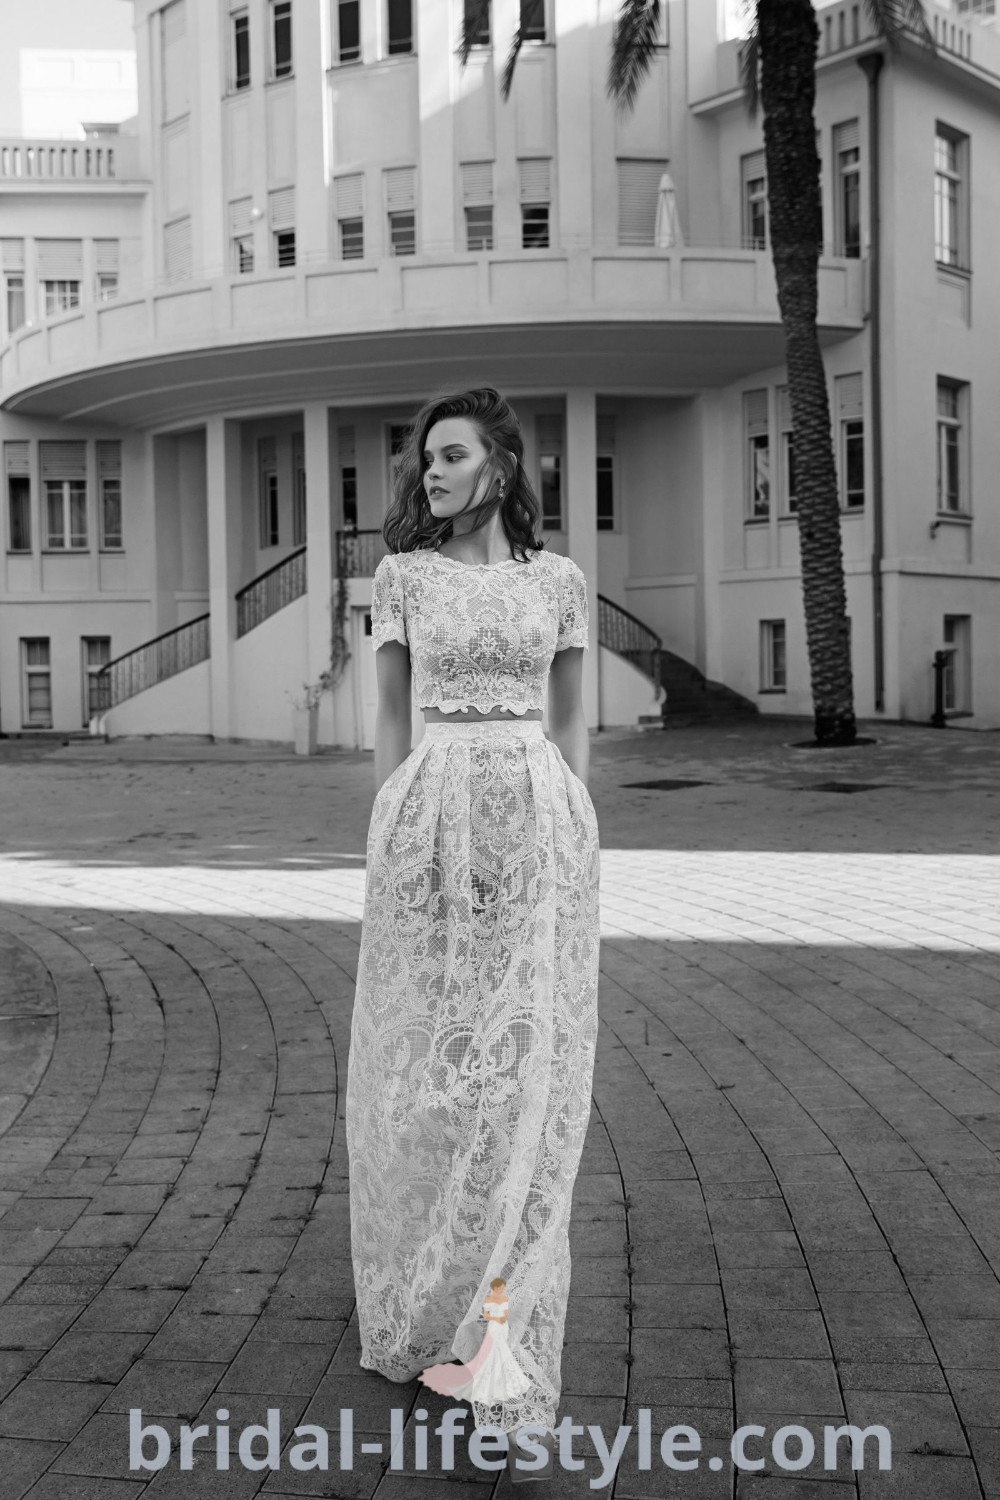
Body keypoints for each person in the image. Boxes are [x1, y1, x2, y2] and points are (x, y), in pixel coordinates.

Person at [345, 386, 600, 1440]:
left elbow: (574, 716)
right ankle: (433, 1284)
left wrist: (577, 827)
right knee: (433, 1074)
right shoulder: (401, 578)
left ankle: (505, 1329)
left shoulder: (562, 582)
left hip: (536, 824)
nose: (429, 474)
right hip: (429, 821)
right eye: (422, 461)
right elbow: (392, 716)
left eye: (450, 456)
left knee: (526, 1070)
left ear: (500, 464)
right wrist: (390, 840)